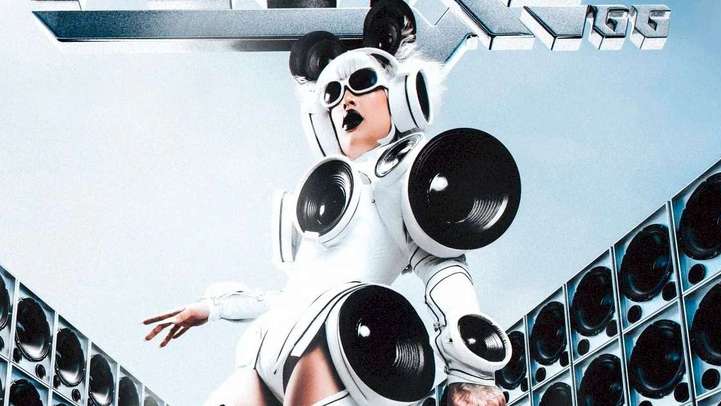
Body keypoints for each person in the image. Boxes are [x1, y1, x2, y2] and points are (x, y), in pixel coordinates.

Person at [144, 25, 519, 406]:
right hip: (267, 346)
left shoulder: (410, 181)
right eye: (333, 94)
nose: (345, 101)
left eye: (362, 82)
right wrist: (212, 308)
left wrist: (470, 374)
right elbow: (294, 293)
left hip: (333, 340)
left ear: (402, 96)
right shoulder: (321, 196)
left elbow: (443, 269)